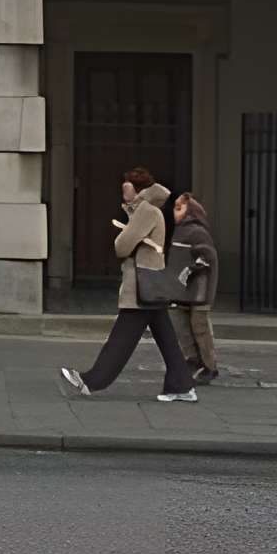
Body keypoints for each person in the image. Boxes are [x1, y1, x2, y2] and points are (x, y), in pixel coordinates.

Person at [60, 170, 197, 403]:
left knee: (121, 338)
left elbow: (122, 246)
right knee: (167, 340)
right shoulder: (147, 210)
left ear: (139, 189)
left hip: (141, 284)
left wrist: (125, 233)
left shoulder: (145, 211)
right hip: (150, 284)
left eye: (128, 186)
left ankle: (91, 381)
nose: (124, 190)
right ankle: (182, 386)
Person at [165, 192, 220, 385]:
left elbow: (208, 257)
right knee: (180, 325)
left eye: (179, 208)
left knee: (200, 328)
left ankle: (209, 366)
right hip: (181, 290)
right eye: (175, 208)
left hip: (199, 291)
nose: (175, 212)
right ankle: (193, 359)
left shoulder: (197, 231)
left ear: (190, 211)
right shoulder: (178, 230)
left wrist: (189, 270)